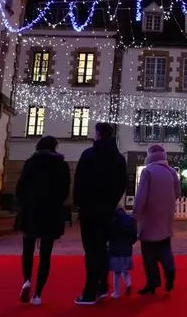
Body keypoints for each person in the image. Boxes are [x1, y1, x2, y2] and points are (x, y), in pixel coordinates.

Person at [73, 122, 127, 306]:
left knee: (91, 250)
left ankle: (89, 291)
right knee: (103, 247)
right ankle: (103, 285)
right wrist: (111, 203)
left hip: (90, 210)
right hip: (107, 210)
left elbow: (79, 182)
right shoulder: (119, 158)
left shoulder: (88, 155)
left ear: (98, 135)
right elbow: (122, 184)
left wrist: (81, 204)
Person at [14, 135, 71, 306]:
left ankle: (27, 280)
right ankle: (38, 294)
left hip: (31, 210)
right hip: (51, 211)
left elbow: (20, 187)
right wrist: (56, 203)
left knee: (28, 249)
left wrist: (24, 203)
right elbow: (65, 190)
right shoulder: (62, 165)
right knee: (46, 254)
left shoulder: (31, 162)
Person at [134, 144, 180, 295]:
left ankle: (152, 283)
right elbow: (178, 193)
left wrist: (136, 215)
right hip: (166, 217)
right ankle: (170, 270)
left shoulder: (148, 171)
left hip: (149, 217)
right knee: (165, 247)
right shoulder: (172, 172)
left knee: (149, 253)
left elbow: (141, 196)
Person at [107, 207, 137, 298]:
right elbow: (134, 236)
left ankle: (116, 293)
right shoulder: (129, 220)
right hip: (127, 250)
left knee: (116, 273)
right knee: (125, 270)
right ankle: (128, 283)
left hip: (115, 250)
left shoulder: (113, 221)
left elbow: (109, 235)